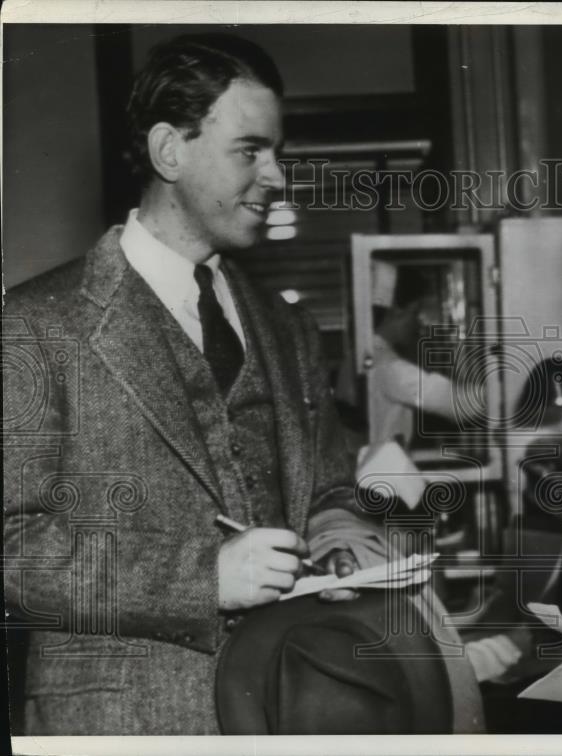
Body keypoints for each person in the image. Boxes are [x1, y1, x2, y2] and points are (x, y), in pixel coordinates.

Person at [3, 34, 385, 735]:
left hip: (291, 704)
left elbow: (328, 490)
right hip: (127, 724)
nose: (276, 176)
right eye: (250, 150)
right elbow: (13, 552)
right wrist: (200, 578)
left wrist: (344, 541)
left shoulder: (286, 328)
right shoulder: (34, 325)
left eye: (278, 152)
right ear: (168, 151)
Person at [367, 265, 483, 448]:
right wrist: (508, 391)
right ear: (396, 312)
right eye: (414, 312)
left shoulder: (370, 354)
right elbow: (456, 403)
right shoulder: (388, 366)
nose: (418, 320)